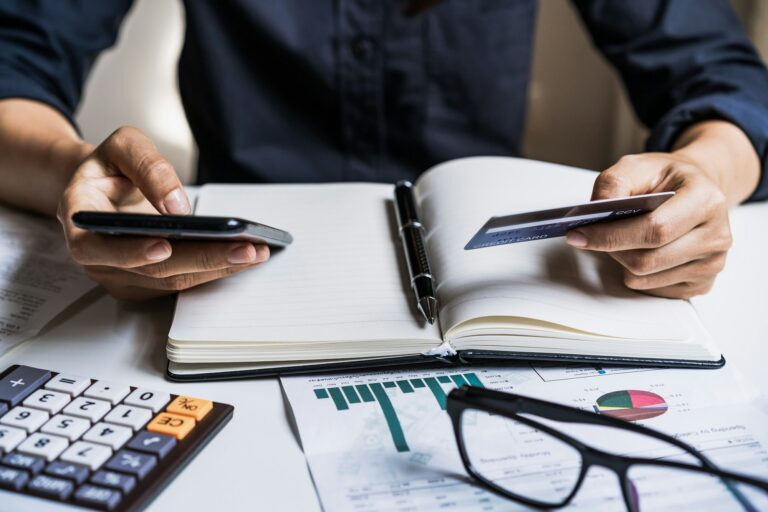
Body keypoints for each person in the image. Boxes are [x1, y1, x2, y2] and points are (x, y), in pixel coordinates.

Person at [0, 0, 766, 301]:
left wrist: (706, 170)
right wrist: (74, 166)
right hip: (218, 293)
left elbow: (726, 80)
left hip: (490, 303)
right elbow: (17, 63)